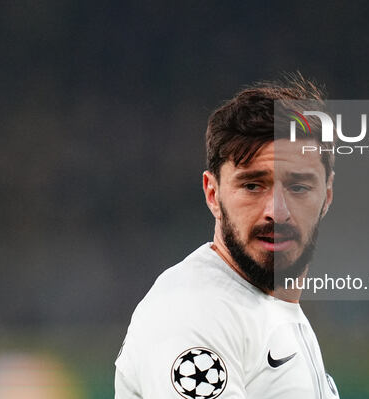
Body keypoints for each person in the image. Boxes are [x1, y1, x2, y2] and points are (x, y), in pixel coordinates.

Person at [115, 75, 339, 399]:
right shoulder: (193, 312)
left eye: (298, 187)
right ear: (212, 193)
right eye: (252, 185)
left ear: (327, 196)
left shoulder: (270, 311)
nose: (277, 211)